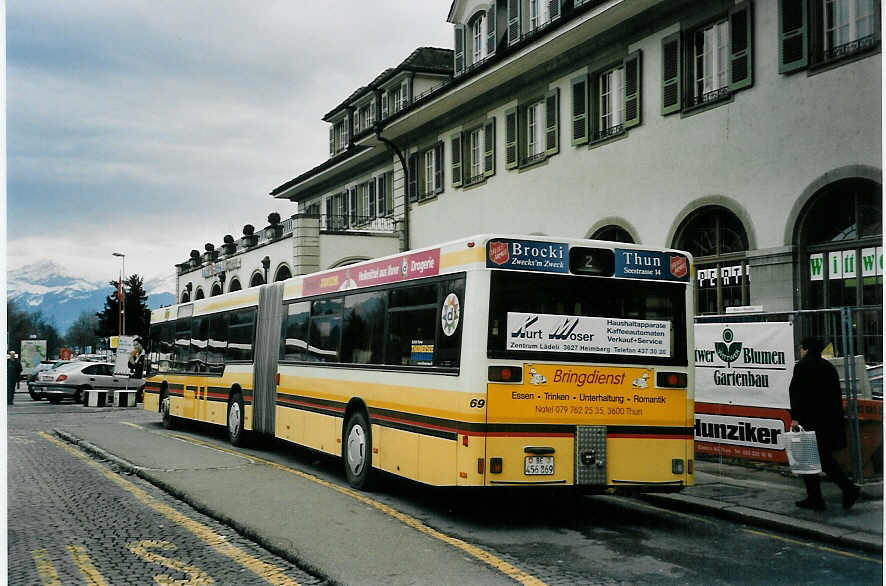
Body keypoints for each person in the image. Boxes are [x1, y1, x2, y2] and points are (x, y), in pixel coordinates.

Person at [788, 337, 861, 511]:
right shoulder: (828, 367)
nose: (800, 351)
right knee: (823, 459)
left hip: (809, 420)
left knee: (810, 459)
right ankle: (822, 496)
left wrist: (796, 417)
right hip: (828, 421)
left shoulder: (802, 366)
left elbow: (796, 394)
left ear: (805, 349)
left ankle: (841, 491)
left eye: (801, 348)